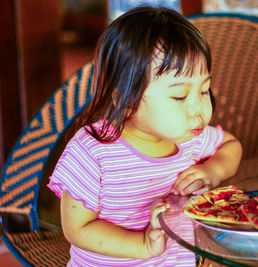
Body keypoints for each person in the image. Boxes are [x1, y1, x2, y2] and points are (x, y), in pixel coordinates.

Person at [48, 6, 242, 266]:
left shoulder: (190, 137)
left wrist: (214, 170)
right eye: (179, 96)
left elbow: (231, 145)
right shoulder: (94, 151)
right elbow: (77, 229)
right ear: (126, 99)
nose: (198, 109)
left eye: (204, 90)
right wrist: (142, 244)